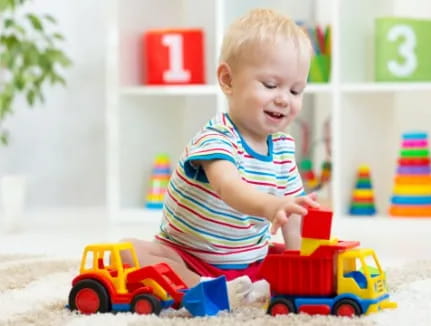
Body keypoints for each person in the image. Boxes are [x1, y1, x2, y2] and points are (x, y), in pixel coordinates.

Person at [123, 8, 319, 308]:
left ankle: (246, 287)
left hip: (248, 261)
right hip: (188, 257)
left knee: (289, 256)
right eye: (270, 85)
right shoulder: (216, 138)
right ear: (228, 80)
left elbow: (291, 214)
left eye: (295, 90)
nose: (284, 98)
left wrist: (299, 264)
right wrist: (271, 205)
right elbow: (230, 188)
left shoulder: (283, 148)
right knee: (129, 252)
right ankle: (205, 290)